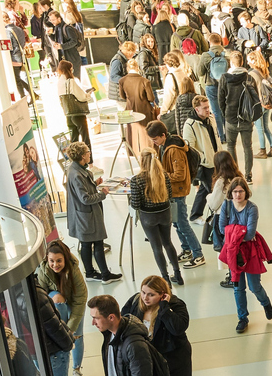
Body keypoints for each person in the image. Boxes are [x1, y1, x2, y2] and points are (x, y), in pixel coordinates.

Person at [36, 242, 110, 376]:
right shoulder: (43, 274)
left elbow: (79, 302)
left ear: (65, 259)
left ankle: (77, 369)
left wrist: (68, 330)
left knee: (77, 336)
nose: (55, 265)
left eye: (59, 261)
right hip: (55, 315)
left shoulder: (74, 272)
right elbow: (45, 301)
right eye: (51, 261)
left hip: (72, 307)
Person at [216, 179, 272, 333]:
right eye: (235, 191)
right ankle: (242, 318)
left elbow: (249, 234)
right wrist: (240, 231)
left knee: (255, 287)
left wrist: (233, 231)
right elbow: (222, 228)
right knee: (238, 288)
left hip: (250, 252)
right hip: (233, 252)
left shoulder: (252, 208)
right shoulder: (226, 205)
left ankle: (266, 303)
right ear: (231, 192)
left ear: (246, 192)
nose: (238, 194)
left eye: (241, 191)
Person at [146, 121, 204, 274]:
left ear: (163, 135)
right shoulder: (164, 146)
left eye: (155, 139)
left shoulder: (174, 150)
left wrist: (161, 176)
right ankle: (186, 250)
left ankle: (198, 254)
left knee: (183, 224)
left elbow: (180, 174)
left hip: (178, 191)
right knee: (177, 223)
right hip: (172, 192)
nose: (154, 142)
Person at [63, 143, 121, 283]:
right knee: (97, 243)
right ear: (83, 155)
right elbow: (85, 198)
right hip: (86, 216)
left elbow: (82, 190)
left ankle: (90, 273)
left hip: (83, 215)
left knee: (87, 244)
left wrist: (94, 184)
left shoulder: (74, 169)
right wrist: (102, 194)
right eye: (88, 152)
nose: (90, 154)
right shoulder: (77, 174)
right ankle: (105, 275)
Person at [128, 149, 180, 286]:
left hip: (148, 217)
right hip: (164, 213)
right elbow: (169, 195)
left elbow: (136, 204)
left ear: (141, 161)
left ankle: (165, 278)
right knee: (168, 243)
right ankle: (178, 273)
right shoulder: (163, 175)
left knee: (156, 247)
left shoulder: (136, 180)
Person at [217, 50, 261, 180]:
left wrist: (225, 112)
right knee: (248, 147)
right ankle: (248, 175)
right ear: (242, 62)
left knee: (231, 146)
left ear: (231, 63)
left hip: (230, 117)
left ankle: (235, 174)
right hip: (246, 118)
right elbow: (255, 98)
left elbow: (220, 99)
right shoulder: (249, 77)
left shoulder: (224, 78)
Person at [182, 92, 222, 227]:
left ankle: (195, 215)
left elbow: (215, 138)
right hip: (204, 164)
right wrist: (203, 158)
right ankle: (217, 217)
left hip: (215, 160)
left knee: (205, 190)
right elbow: (189, 147)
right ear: (196, 109)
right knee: (214, 190)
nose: (207, 109)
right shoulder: (190, 125)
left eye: (208, 107)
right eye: (204, 108)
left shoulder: (210, 119)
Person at [118, 58, 157, 157]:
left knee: (133, 132)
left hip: (130, 110)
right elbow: (151, 98)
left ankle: (133, 151)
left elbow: (122, 96)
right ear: (137, 67)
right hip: (144, 110)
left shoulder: (122, 81)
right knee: (146, 133)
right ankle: (149, 152)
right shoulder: (145, 81)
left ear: (127, 68)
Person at [56, 60, 91, 150]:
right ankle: (89, 162)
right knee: (85, 138)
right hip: (77, 113)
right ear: (69, 69)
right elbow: (81, 96)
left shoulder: (59, 82)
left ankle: (75, 160)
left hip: (68, 113)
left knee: (74, 140)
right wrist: (88, 95)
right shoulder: (70, 81)